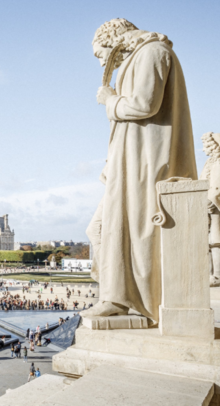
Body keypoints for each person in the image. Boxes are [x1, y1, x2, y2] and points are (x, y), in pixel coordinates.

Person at [86, 18, 196, 322]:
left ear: (113, 39)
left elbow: (145, 105)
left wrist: (110, 101)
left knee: (132, 229)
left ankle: (125, 300)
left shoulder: (153, 52)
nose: (102, 63)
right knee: (103, 228)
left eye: (100, 54)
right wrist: (112, 161)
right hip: (129, 159)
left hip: (145, 161)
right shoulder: (141, 55)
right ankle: (116, 294)